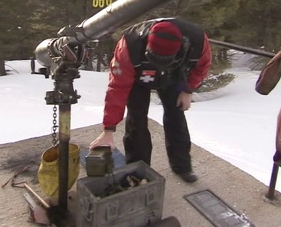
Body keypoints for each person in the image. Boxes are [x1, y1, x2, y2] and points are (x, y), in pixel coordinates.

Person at [89, 18, 212, 183]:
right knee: (136, 120)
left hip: (173, 75)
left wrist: (188, 90)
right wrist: (108, 130)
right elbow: (117, 89)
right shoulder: (129, 47)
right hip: (139, 78)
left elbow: (202, 66)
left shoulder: (196, 40)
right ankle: (137, 172)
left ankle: (182, 167)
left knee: (176, 116)